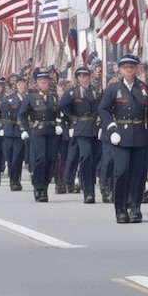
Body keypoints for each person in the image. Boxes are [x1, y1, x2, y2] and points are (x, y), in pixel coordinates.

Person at [98, 53, 148, 224]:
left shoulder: (143, 88)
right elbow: (103, 109)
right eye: (125, 67)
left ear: (136, 68)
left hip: (140, 135)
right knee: (121, 172)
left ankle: (135, 206)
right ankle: (121, 208)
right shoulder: (114, 88)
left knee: (138, 173)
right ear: (120, 70)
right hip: (120, 136)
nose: (129, 70)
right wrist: (111, 127)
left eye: (132, 67)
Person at [18, 68, 63, 202]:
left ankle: (45, 187)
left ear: (49, 82)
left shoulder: (54, 97)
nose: (43, 82)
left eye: (45, 80)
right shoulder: (31, 97)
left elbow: (59, 113)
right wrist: (25, 129)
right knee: (40, 159)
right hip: (37, 132)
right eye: (40, 80)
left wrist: (59, 125)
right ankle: (38, 186)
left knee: (50, 160)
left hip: (51, 132)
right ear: (37, 83)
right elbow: (22, 115)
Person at [59, 66, 102, 204]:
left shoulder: (96, 91)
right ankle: (88, 191)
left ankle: (89, 185)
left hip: (95, 127)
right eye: (81, 76)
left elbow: (102, 107)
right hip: (81, 128)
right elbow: (62, 105)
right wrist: (71, 118)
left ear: (89, 76)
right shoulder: (73, 92)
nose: (83, 79)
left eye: (86, 76)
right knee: (86, 156)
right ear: (77, 78)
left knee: (95, 159)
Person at [1, 75, 28, 191]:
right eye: (20, 84)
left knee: (18, 157)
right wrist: (2, 127)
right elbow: (4, 114)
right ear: (16, 86)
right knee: (10, 156)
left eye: (24, 84)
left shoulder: (28, 98)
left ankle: (16, 180)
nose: (22, 87)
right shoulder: (9, 98)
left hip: (20, 132)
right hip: (9, 130)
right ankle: (13, 179)